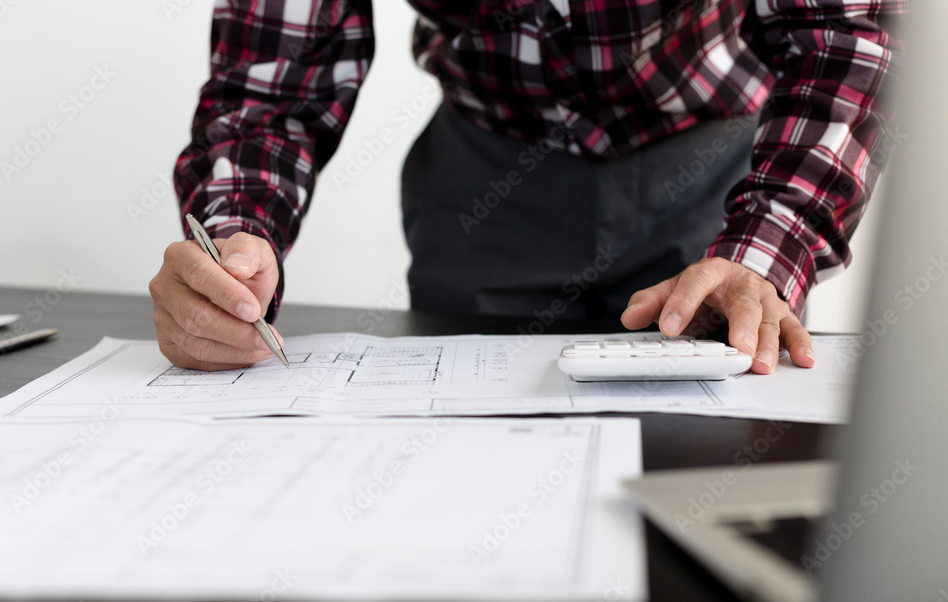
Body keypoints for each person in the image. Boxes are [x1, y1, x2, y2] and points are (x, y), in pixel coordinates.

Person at [149, 0, 903, 373]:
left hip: (717, 179)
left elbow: (851, 37)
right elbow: (273, 80)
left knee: (712, 457)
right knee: (467, 470)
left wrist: (766, 251)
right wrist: (236, 235)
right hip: (488, 178)